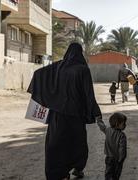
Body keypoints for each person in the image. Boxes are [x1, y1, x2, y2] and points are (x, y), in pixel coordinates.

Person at [28, 43, 102, 180]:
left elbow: (38, 73)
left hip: (57, 115)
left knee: (57, 144)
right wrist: (96, 113)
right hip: (76, 116)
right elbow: (88, 94)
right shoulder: (83, 70)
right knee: (77, 144)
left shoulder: (58, 67)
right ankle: (78, 168)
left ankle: (60, 174)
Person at [96, 113, 127, 180]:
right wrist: (122, 158)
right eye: (123, 124)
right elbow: (122, 149)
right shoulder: (122, 135)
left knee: (108, 173)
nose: (125, 125)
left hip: (108, 158)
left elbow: (102, 126)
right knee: (116, 175)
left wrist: (98, 120)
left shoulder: (108, 130)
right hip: (117, 159)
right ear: (117, 124)